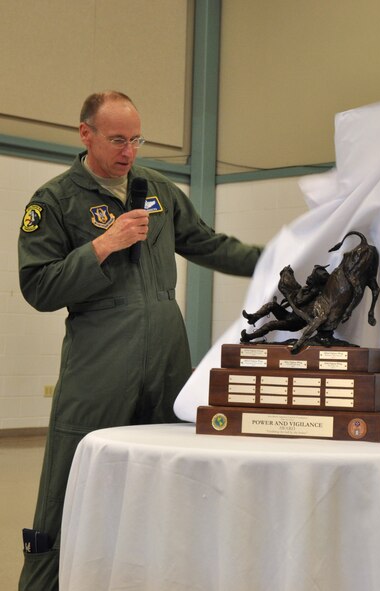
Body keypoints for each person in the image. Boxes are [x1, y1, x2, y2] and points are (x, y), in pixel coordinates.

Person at [17, 91, 262, 590]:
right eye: (117, 140)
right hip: (100, 361)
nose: (129, 151)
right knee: (72, 480)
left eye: (136, 139)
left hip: (168, 356)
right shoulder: (55, 201)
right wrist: (102, 246)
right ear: (85, 134)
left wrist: (281, 260)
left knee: (168, 474)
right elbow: (38, 287)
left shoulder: (159, 191)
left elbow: (208, 244)